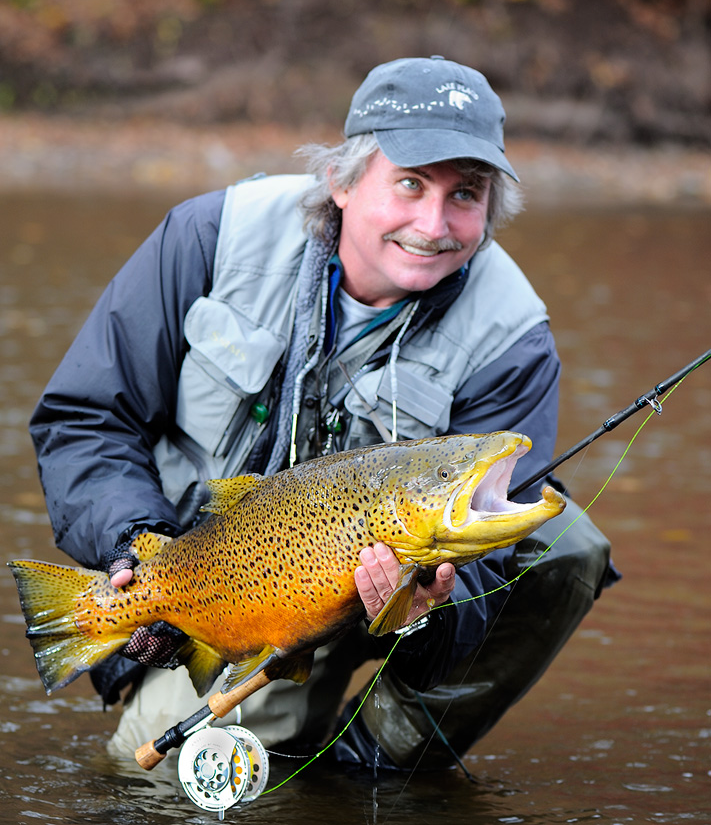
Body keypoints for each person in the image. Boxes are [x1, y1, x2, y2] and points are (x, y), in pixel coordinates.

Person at [30, 56, 616, 770]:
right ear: (340, 181)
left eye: (465, 193)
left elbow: (494, 565)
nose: (432, 224)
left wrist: (431, 605)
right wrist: (130, 542)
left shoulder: (510, 332)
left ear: (490, 208)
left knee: (563, 543)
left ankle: (376, 766)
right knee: (169, 783)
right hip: (212, 570)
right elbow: (87, 417)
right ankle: (250, 720)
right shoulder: (210, 237)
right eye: (409, 183)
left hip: (382, 586)